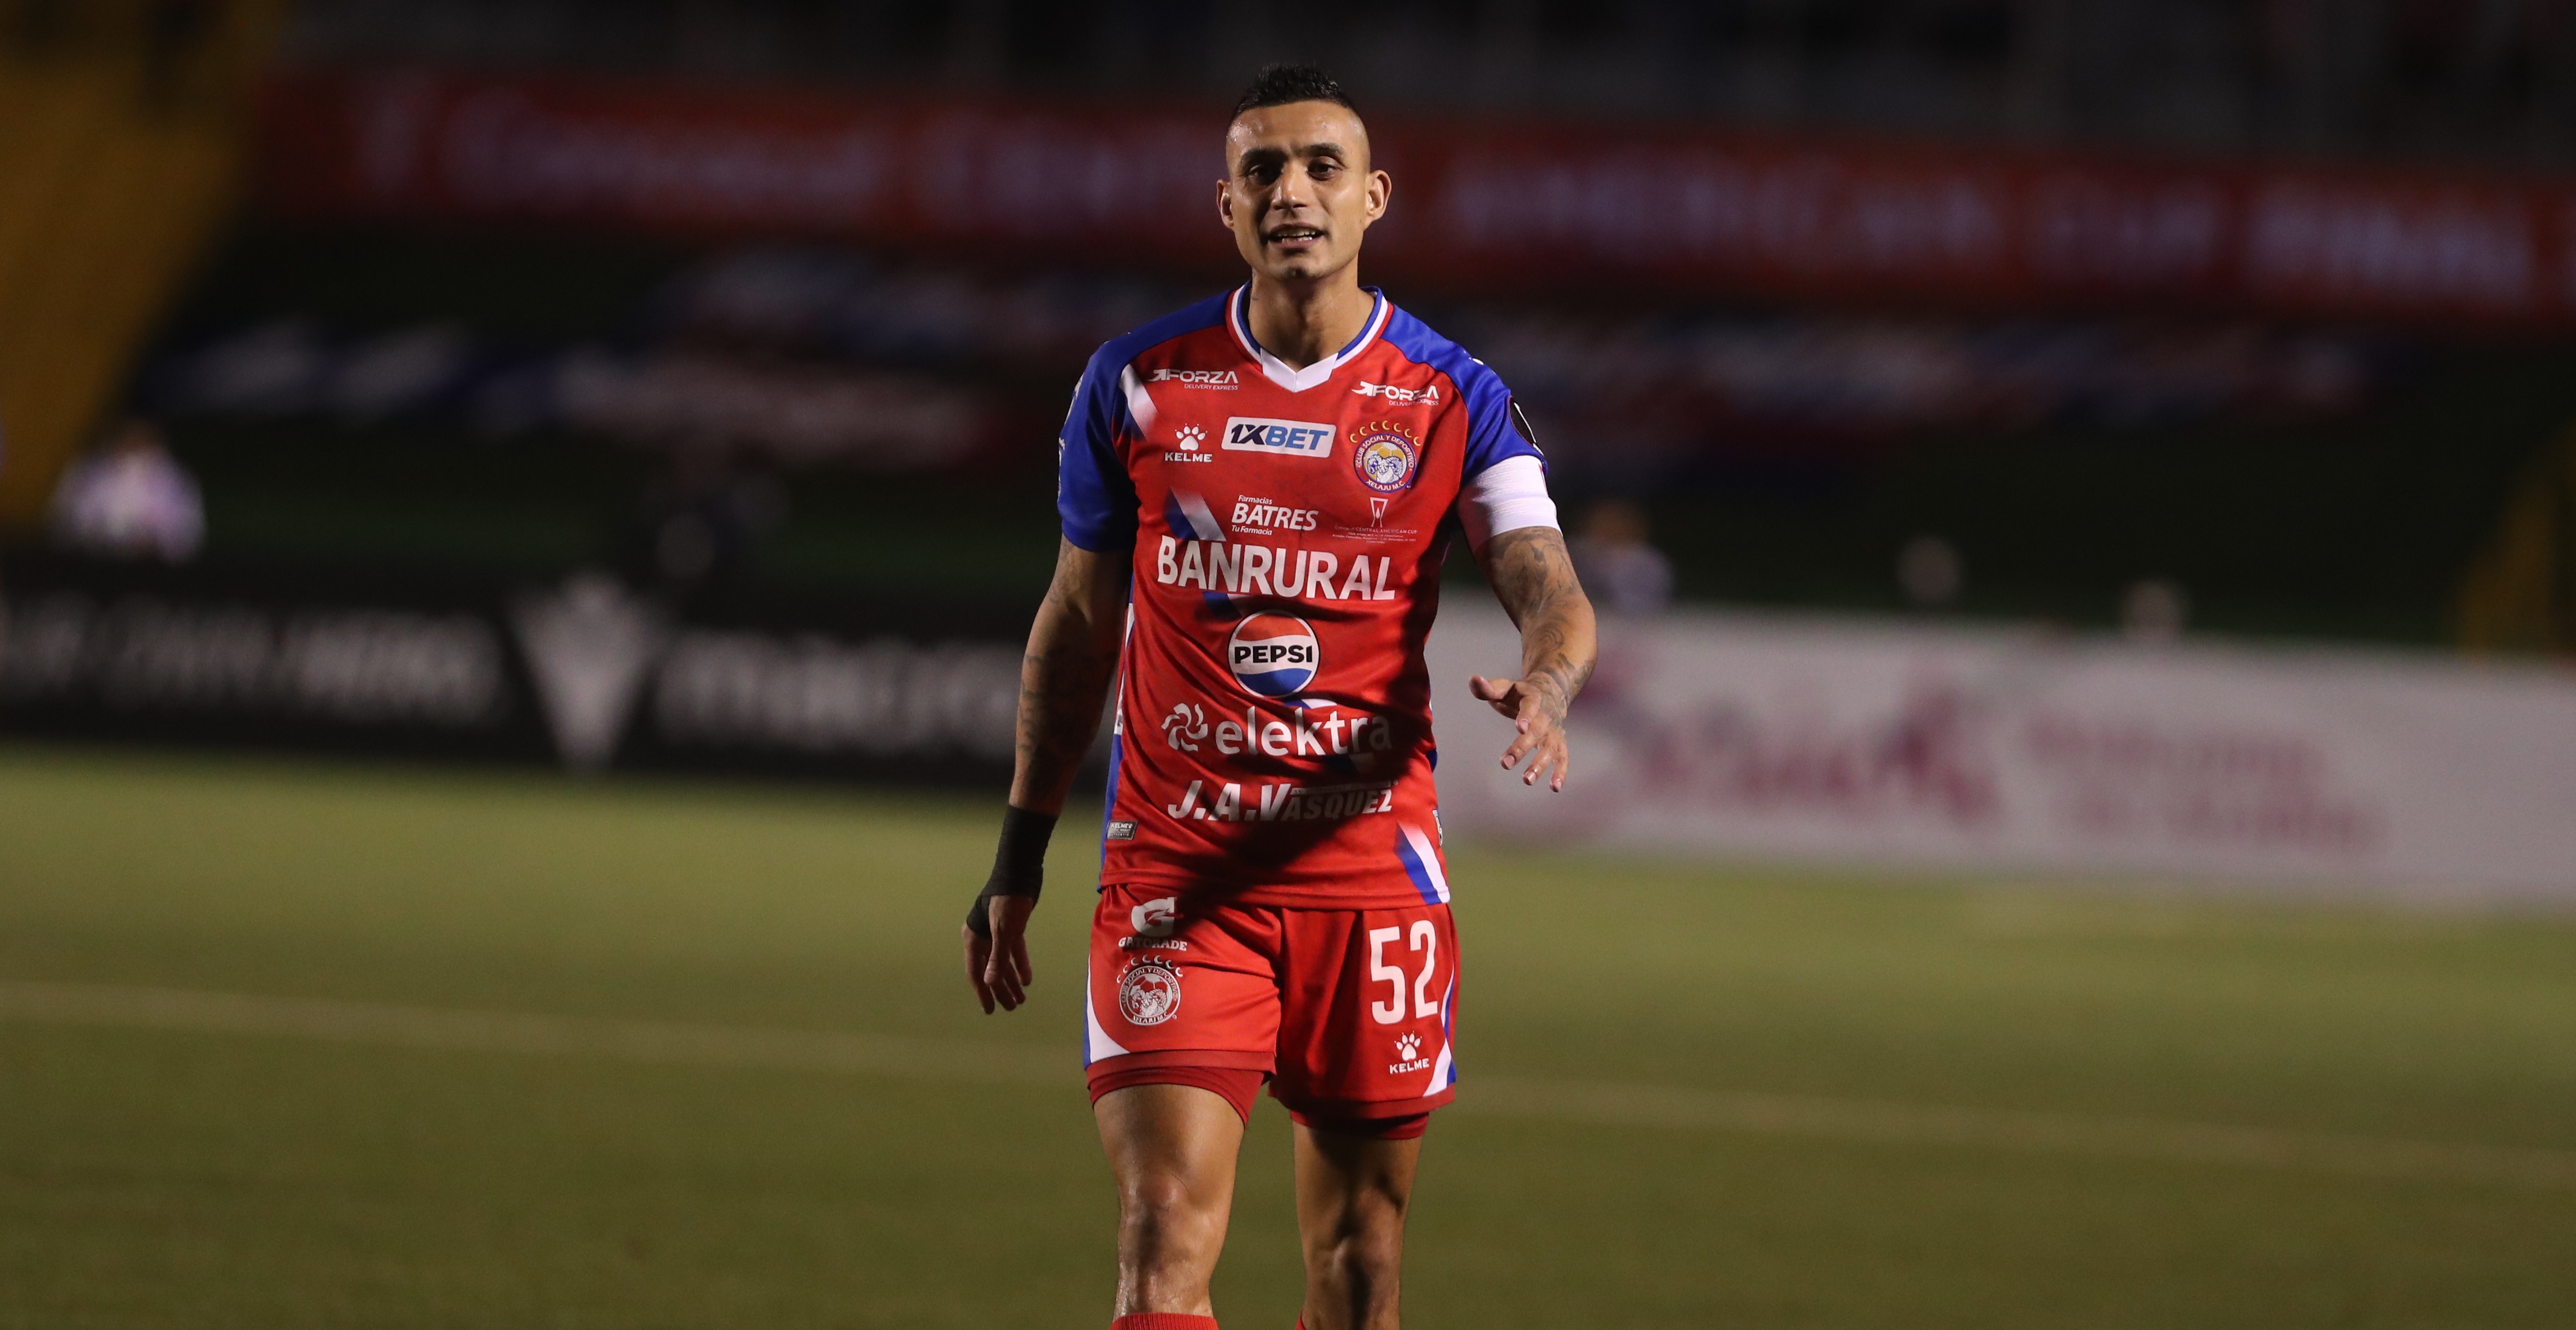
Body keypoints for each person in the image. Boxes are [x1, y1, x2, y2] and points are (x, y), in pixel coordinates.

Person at [959, 65, 1598, 1330]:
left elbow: (1549, 583)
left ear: (1373, 199)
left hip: (1370, 878)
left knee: (1359, 1263)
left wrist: (1548, 678)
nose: (1291, 192)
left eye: (1319, 167)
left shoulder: (1449, 396)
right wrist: (1018, 849)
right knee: (1158, 1234)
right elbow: (1077, 625)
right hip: (1175, 873)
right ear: (1225, 204)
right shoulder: (1136, 383)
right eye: (1262, 169)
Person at [48, 419, 204, 563]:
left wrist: (154, 541)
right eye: (129, 436)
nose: (133, 442)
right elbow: (67, 518)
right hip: (92, 563)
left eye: (141, 437)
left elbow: (185, 531)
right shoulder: (90, 471)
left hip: (153, 568)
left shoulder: (174, 478)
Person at [1568, 497, 1674, 615]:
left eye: (1617, 521)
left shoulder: (1649, 561)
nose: (1611, 526)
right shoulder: (1574, 553)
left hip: (1639, 623)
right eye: (1605, 521)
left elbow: (1653, 602)